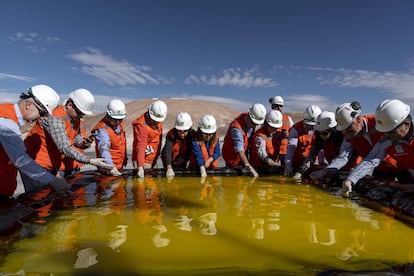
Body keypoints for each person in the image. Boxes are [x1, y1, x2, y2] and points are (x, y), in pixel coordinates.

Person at [0, 84, 69, 200]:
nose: (40, 118)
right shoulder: (6, 122)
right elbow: (21, 160)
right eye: (41, 113)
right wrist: (52, 181)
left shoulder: (8, 114)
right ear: (28, 105)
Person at [24, 88, 112, 177]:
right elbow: (64, 147)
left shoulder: (75, 119)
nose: (81, 116)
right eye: (79, 112)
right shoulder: (55, 118)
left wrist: (84, 143)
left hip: (52, 165)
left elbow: (76, 140)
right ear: (70, 105)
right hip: (35, 163)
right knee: (40, 191)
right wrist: (91, 161)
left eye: (83, 113)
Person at [310, 101, 397, 183]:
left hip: (400, 165)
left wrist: (352, 178)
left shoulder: (378, 124)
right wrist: (326, 170)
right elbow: (343, 157)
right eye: (343, 129)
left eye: (348, 128)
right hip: (380, 168)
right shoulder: (349, 135)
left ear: (358, 119)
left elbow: (373, 157)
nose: (345, 133)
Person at [342, 99, 414, 196]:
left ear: (406, 125)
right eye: (385, 131)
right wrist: (350, 179)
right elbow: (371, 160)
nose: (387, 135)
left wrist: (406, 187)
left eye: (391, 131)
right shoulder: (387, 140)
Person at [293, 111, 344, 181]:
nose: (321, 136)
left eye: (325, 133)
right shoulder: (319, 137)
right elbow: (311, 157)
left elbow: (342, 158)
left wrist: (325, 171)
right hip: (331, 168)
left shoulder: (343, 138)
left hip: (348, 168)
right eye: (319, 133)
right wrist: (300, 172)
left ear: (333, 130)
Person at [222, 103, 266, 177]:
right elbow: (239, 149)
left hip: (243, 155)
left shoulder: (250, 117)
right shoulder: (236, 128)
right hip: (232, 156)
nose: (255, 125)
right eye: (254, 123)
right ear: (249, 117)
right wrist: (248, 166)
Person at [91, 99, 128, 176]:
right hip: (108, 168)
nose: (118, 122)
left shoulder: (119, 125)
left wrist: (124, 159)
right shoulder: (102, 130)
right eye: (115, 120)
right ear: (108, 115)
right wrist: (110, 167)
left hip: (119, 164)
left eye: (120, 120)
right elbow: (104, 150)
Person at [132, 100, 167, 178]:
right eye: (154, 121)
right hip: (144, 160)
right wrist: (140, 167)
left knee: (153, 186)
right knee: (144, 186)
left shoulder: (158, 119)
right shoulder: (141, 125)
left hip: (153, 157)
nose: (156, 123)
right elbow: (141, 146)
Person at [284, 105, 322, 176]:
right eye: (307, 125)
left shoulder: (319, 129)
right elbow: (291, 147)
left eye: (312, 126)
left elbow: (321, 148)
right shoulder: (295, 129)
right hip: (296, 162)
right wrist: (288, 165)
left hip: (310, 162)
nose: (310, 127)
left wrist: (321, 163)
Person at [162, 112, 196, 178]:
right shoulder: (171, 135)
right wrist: (169, 167)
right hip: (169, 159)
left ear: (189, 128)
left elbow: (192, 150)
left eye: (185, 131)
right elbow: (167, 151)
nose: (182, 134)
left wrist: (183, 159)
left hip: (183, 158)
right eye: (179, 131)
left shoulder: (193, 135)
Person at [268, 96, 294, 165]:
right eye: (277, 106)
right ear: (272, 106)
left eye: (281, 106)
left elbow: (294, 135)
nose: (279, 108)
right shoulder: (266, 119)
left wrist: (289, 135)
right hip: (272, 151)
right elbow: (264, 136)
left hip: (285, 152)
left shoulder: (288, 119)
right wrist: (278, 135)